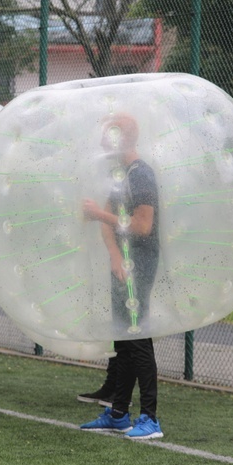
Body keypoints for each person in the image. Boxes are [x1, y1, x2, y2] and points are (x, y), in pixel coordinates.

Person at [79, 113, 163, 439]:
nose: (101, 142)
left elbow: (143, 226)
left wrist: (98, 213)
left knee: (138, 340)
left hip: (141, 266)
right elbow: (107, 222)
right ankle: (118, 414)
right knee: (124, 341)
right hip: (123, 265)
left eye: (107, 136)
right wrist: (115, 256)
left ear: (121, 139)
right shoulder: (120, 175)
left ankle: (151, 419)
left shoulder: (141, 175)